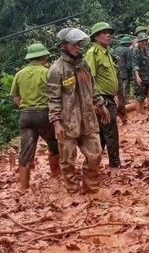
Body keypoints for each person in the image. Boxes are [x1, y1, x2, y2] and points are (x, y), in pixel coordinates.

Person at [47, 28, 109, 194]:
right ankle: (73, 190)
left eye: (79, 44)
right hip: (67, 123)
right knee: (67, 160)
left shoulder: (83, 64)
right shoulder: (56, 70)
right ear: (64, 45)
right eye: (73, 44)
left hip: (88, 119)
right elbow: (53, 99)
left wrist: (101, 105)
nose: (77, 47)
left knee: (95, 154)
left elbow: (92, 87)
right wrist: (56, 123)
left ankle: (91, 188)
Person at [11, 42, 59, 192]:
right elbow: (55, 95)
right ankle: (56, 175)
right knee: (54, 145)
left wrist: (26, 109)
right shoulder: (47, 72)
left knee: (25, 153)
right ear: (44, 56)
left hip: (26, 116)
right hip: (44, 114)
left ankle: (24, 188)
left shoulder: (19, 74)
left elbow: (15, 98)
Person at [84, 22, 121, 168]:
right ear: (96, 37)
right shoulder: (92, 54)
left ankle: (94, 163)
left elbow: (110, 77)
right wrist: (95, 103)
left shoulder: (107, 53)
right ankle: (114, 165)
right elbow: (88, 79)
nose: (108, 35)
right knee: (111, 132)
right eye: (104, 33)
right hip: (101, 99)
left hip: (109, 97)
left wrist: (115, 94)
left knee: (104, 134)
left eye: (109, 32)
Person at [129, 33, 149, 113]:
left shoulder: (145, 50)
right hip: (140, 76)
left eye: (145, 41)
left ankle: (141, 111)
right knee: (139, 96)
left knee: (143, 95)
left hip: (146, 76)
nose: (144, 43)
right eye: (142, 41)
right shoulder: (136, 51)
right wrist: (137, 76)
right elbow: (135, 65)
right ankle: (138, 113)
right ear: (139, 42)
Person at [113, 35, 134, 119]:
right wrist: (130, 71)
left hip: (117, 71)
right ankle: (125, 101)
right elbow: (129, 63)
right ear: (128, 43)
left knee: (118, 88)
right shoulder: (127, 50)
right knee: (125, 86)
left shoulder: (116, 49)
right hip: (124, 71)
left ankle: (119, 102)